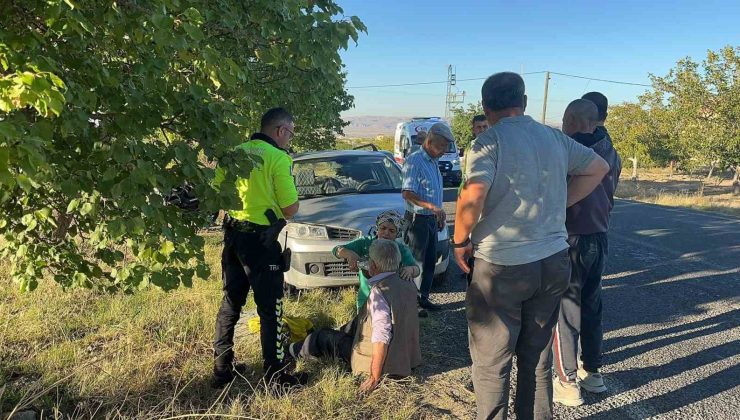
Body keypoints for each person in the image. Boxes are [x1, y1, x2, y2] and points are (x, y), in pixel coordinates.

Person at [453, 72, 610, 420]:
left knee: (492, 362)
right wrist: (560, 204)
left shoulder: (487, 142)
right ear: (523, 103)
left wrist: (460, 241)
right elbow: (598, 168)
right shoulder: (554, 138)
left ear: (485, 106)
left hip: (502, 265)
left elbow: (473, 194)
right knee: (536, 359)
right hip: (553, 262)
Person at [213, 107, 303, 388]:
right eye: (290, 132)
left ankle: (221, 370)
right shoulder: (278, 158)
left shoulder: (235, 153)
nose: (290, 138)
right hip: (262, 243)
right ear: (279, 131)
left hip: (233, 237)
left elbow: (218, 193)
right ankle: (275, 377)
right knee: (270, 309)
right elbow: (290, 208)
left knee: (231, 303)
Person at [553, 97, 622, 406]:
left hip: (570, 239)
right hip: (599, 236)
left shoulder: (570, 152)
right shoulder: (611, 151)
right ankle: (592, 372)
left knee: (565, 312)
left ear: (572, 120)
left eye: (565, 121)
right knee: (592, 307)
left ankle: (566, 382)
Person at [288, 239, 422, 393]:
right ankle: (337, 333)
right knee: (357, 321)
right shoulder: (407, 281)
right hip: (404, 358)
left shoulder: (380, 292)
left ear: (373, 266)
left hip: (382, 363)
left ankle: (291, 351)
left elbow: (381, 338)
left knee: (321, 336)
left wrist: (373, 377)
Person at [402, 122, 453, 312]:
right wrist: (432, 207)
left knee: (430, 262)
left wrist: (438, 213)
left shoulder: (432, 161)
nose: (442, 152)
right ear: (429, 142)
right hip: (418, 222)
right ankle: (411, 304)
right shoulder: (415, 161)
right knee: (416, 264)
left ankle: (423, 299)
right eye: (440, 147)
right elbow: (407, 193)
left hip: (431, 219)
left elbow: (433, 191)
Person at [333, 210, 422, 313]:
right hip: (366, 297)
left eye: (391, 231)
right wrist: (348, 253)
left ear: (397, 233)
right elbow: (335, 250)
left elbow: (417, 269)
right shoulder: (365, 243)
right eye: (383, 228)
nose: (386, 233)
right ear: (377, 228)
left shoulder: (401, 249)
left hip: (392, 299)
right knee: (364, 326)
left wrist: (410, 270)